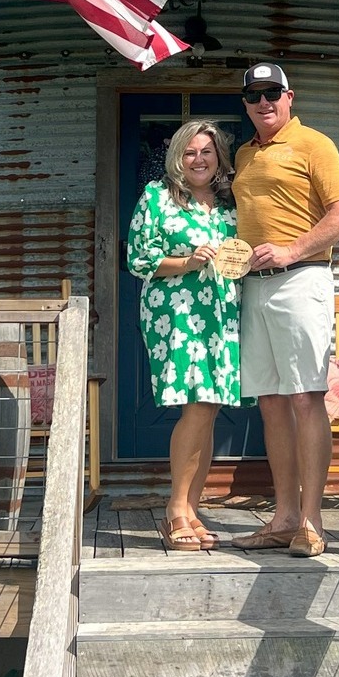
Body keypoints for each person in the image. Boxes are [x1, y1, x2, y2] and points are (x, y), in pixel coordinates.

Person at [229, 63, 339, 557]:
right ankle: (283, 518)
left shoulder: (315, 144)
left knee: (305, 397)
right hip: (253, 287)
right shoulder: (242, 154)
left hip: (301, 280)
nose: (263, 102)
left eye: (272, 93)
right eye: (253, 95)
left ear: (289, 97)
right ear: (245, 103)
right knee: (270, 401)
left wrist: (291, 249)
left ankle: (312, 520)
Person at [124, 120, 243, 551]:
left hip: (222, 312)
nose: (199, 159)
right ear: (178, 156)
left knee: (209, 408)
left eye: (207, 152)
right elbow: (139, 259)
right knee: (195, 406)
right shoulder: (157, 197)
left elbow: (238, 256)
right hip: (176, 314)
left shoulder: (229, 205)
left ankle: (192, 509)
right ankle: (176, 508)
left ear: (219, 159)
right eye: (190, 152)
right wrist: (188, 263)